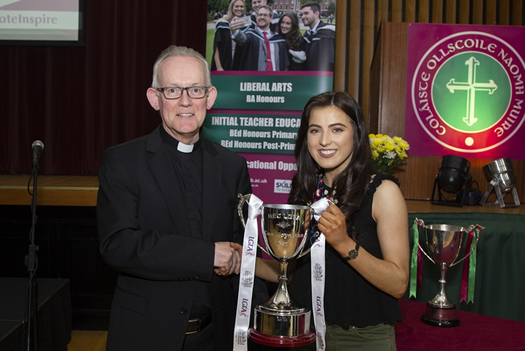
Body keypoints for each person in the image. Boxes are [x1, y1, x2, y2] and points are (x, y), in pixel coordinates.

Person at [97, 45, 267, 350]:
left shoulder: (232, 166)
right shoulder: (122, 161)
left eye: (196, 90)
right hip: (146, 336)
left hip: (217, 337)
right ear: (155, 98)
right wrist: (207, 255)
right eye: (173, 90)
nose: (185, 101)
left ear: (210, 97)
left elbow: (243, 248)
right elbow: (118, 245)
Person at [248, 91, 410, 350]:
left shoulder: (382, 192)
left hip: (358, 338)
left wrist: (343, 242)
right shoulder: (303, 190)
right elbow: (290, 273)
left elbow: (399, 283)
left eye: (336, 129)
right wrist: (242, 260)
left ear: (356, 134)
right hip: (303, 333)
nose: (324, 141)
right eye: (315, 130)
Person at [232, 5, 289, 71]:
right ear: (256, 18)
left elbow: (284, 63)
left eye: (265, 15)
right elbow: (242, 39)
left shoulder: (278, 39)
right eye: (259, 15)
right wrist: (235, 31)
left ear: (271, 18)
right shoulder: (250, 35)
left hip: (275, 78)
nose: (262, 17)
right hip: (255, 79)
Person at [211, 0, 247, 71]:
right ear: (232, 7)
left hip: (240, 65)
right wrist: (219, 67)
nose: (239, 9)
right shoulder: (222, 24)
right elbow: (216, 47)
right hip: (224, 62)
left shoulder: (247, 25)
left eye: (241, 6)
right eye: (237, 6)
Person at [300, 2, 336, 71]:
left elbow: (329, 61)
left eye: (306, 13)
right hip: (311, 75)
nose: (303, 17)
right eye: (301, 14)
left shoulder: (326, 32)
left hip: (324, 76)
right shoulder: (307, 34)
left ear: (316, 14)